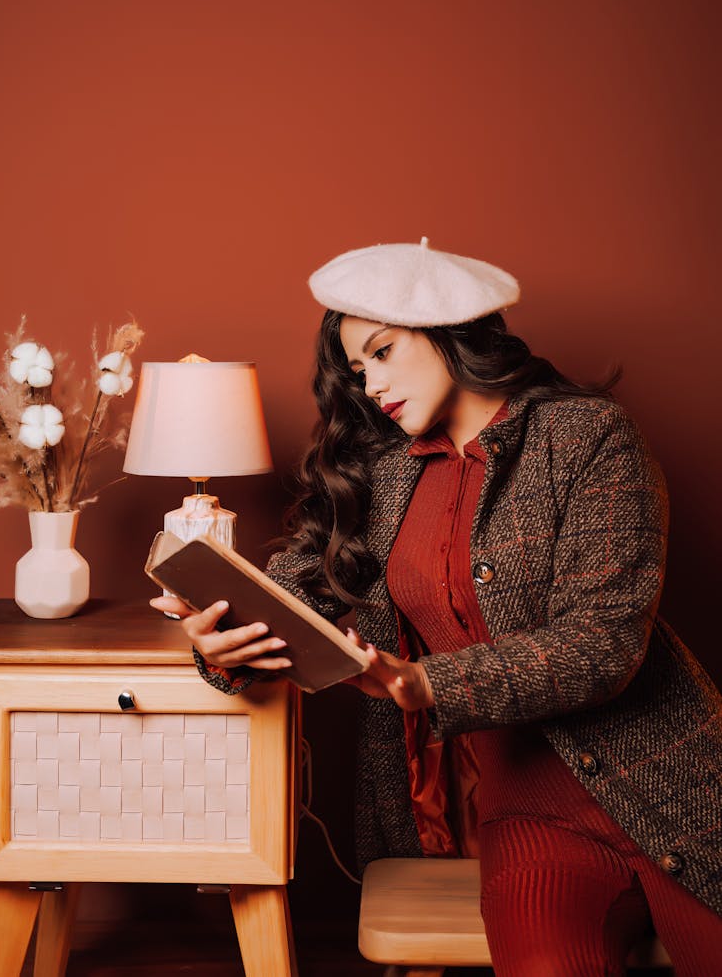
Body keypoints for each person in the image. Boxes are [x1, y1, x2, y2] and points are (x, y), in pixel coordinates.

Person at [153, 239, 722, 976]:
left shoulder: (586, 435)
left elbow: (603, 643)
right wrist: (222, 642)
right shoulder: (380, 470)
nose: (374, 385)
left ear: (450, 329)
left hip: (673, 782)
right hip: (532, 820)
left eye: (384, 352)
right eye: (360, 370)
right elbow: (292, 591)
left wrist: (427, 685)